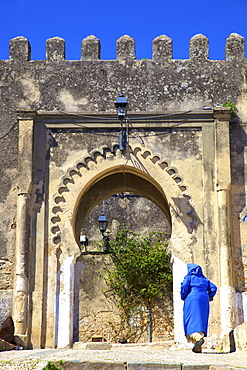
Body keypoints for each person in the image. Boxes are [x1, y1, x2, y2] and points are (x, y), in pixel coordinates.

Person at [180, 263, 217, 353]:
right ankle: (198, 346)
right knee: (201, 319)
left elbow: (184, 286)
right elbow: (214, 288)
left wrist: (183, 295)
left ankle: (198, 337)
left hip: (192, 298)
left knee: (191, 318)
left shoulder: (189, 277)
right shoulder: (204, 279)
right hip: (204, 299)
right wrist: (209, 296)